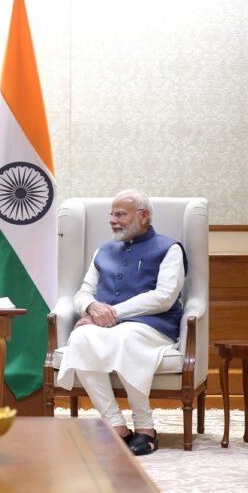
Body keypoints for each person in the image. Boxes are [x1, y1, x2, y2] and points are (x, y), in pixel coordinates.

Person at [56, 189, 187, 456]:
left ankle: (145, 428)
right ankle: (115, 425)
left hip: (154, 326)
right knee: (79, 338)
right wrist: (91, 307)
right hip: (106, 325)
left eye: (120, 215)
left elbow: (164, 297)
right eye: (111, 215)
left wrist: (111, 313)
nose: (112, 220)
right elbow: (83, 292)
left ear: (144, 216)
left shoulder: (169, 248)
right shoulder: (103, 250)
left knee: (125, 337)